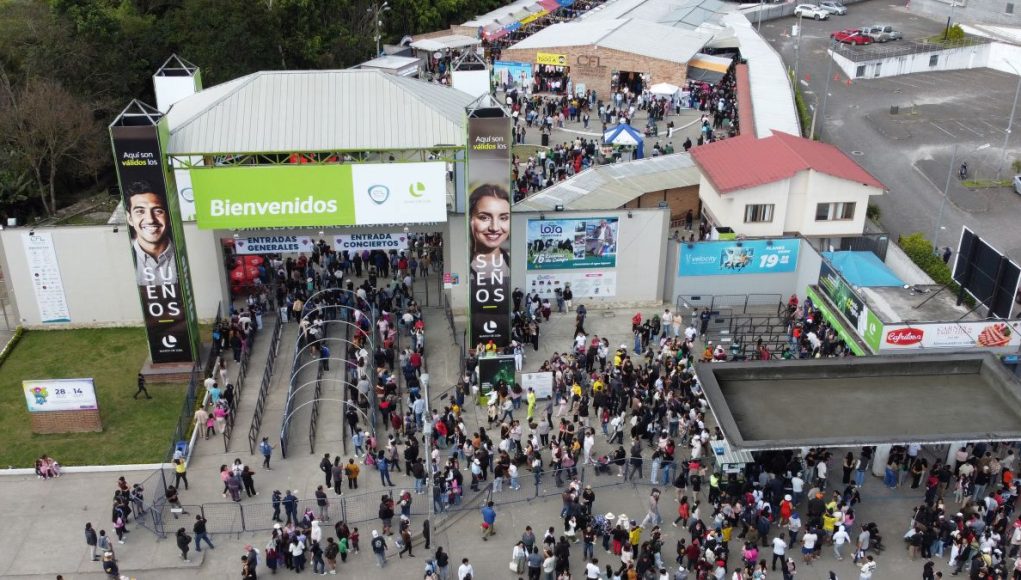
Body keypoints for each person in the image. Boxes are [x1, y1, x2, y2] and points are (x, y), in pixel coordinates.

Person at [125, 180, 177, 286]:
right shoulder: (124, 260)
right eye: (140, 211)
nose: (150, 219)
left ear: (169, 217)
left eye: (158, 211)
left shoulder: (186, 253)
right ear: (130, 218)